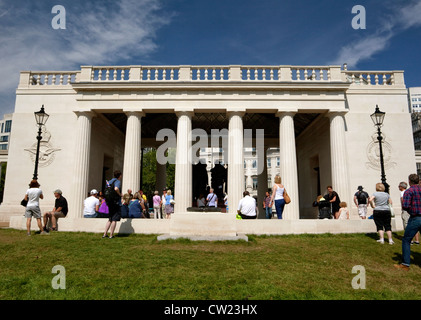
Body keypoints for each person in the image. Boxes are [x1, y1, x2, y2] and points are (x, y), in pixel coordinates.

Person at [395, 174, 421, 270]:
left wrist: (412, 209)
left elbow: (405, 206)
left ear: (409, 181)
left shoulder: (409, 191)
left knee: (406, 240)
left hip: (415, 217)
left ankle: (406, 264)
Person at [103, 170, 122, 239]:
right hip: (115, 202)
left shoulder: (109, 181)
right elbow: (116, 188)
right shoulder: (117, 181)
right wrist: (120, 194)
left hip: (109, 202)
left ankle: (105, 234)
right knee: (114, 219)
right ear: (119, 176)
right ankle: (111, 235)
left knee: (110, 219)